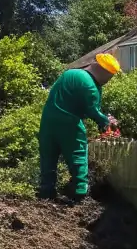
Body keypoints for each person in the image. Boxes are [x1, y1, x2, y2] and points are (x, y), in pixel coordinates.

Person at [37, 53, 119, 199]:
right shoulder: (91, 87)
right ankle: (79, 193)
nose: (108, 81)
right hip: (69, 124)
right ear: (103, 71)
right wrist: (106, 122)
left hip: (47, 122)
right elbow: (92, 110)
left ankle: (46, 193)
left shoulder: (70, 73)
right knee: (78, 155)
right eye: (110, 77)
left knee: (48, 158)